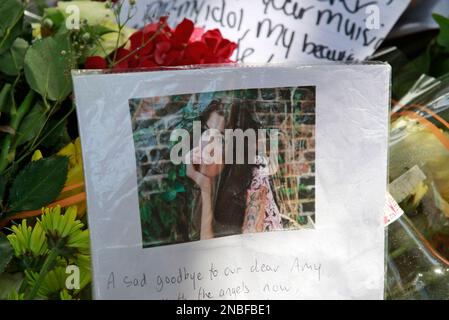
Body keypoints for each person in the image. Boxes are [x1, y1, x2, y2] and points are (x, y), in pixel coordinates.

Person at [186, 100, 282, 240]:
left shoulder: (255, 181)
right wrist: (204, 187)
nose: (208, 144)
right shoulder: (197, 176)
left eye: (220, 138)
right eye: (206, 131)